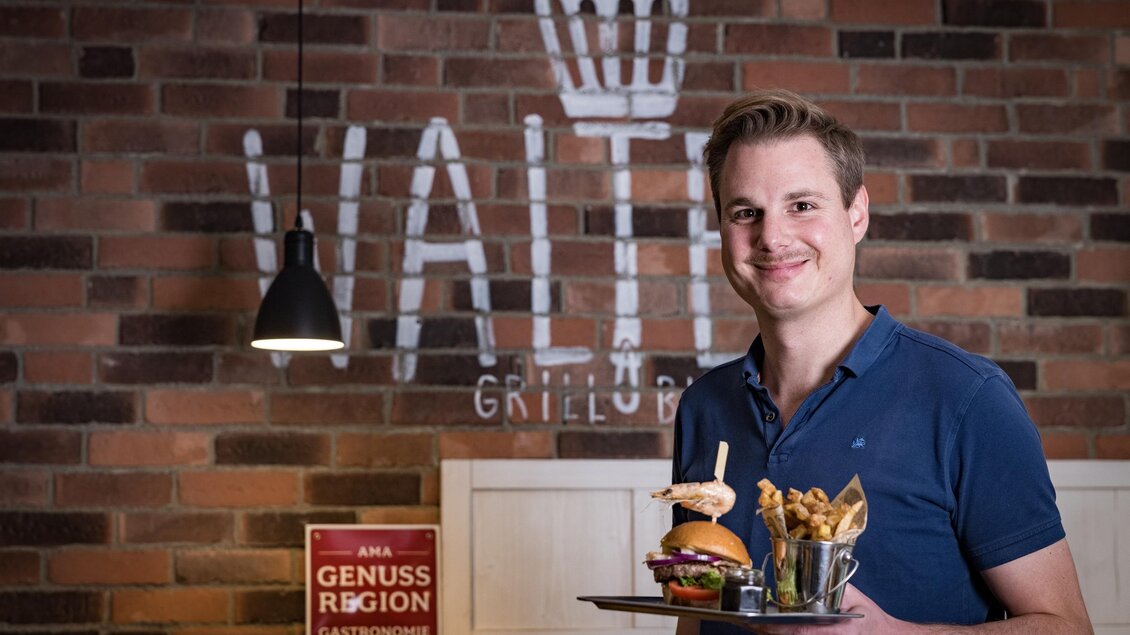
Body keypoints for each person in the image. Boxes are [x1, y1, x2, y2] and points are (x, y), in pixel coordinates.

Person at [670, 89, 1091, 634]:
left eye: (802, 205)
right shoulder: (705, 406)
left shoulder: (965, 398)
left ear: (857, 214)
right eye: (746, 212)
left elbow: (1068, 626)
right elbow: (696, 616)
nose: (771, 237)